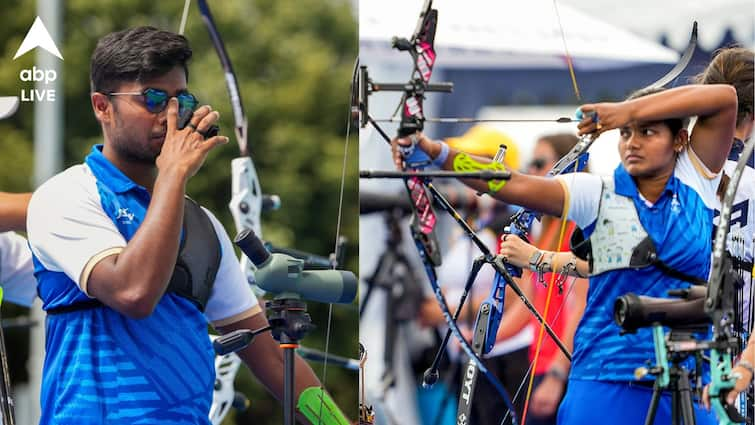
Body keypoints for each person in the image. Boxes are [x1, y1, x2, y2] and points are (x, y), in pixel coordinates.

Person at [26, 27, 342, 424]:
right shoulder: (67, 194)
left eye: (183, 100)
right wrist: (173, 174)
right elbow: (133, 293)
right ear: (102, 107)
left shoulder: (200, 223)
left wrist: (338, 422)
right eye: (153, 99)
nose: (171, 116)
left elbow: (276, 363)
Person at [392, 83, 737, 424]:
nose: (632, 142)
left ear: (679, 140)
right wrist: (437, 154)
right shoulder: (596, 192)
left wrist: (623, 112)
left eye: (647, 132)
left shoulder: (698, 183)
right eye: (626, 133)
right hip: (605, 377)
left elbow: (725, 98)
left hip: (686, 378)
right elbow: (508, 182)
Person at [417, 126, 531, 425]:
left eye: (476, 161)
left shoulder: (514, 221)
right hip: (470, 354)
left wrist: (445, 312)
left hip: (501, 357)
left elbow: (518, 293)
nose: (467, 172)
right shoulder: (476, 221)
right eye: (465, 162)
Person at [498, 134, 588, 425]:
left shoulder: (581, 229)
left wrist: (557, 374)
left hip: (565, 371)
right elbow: (528, 304)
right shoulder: (545, 230)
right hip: (537, 365)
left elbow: (580, 308)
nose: (533, 173)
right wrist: (482, 342)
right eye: (530, 164)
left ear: (568, 166)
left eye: (540, 163)